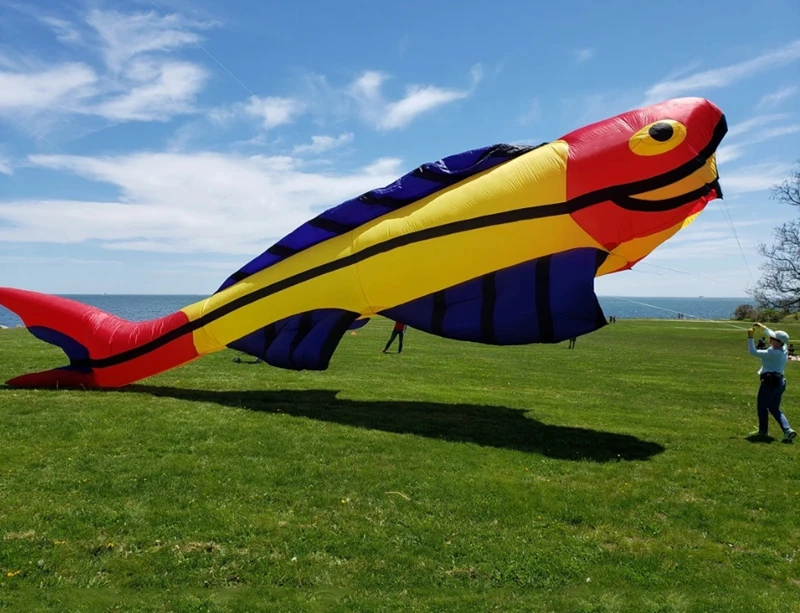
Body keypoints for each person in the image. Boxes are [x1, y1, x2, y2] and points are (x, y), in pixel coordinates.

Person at [747, 323, 796, 442]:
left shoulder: (772, 353)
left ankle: (763, 431)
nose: (770, 340)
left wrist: (750, 337)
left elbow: (752, 351)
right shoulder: (783, 349)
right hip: (780, 382)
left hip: (770, 382)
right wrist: (763, 328)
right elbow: (773, 335)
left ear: (778, 342)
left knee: (762, 406)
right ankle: (787, 430)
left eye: (773, 339)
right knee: (774, 408)